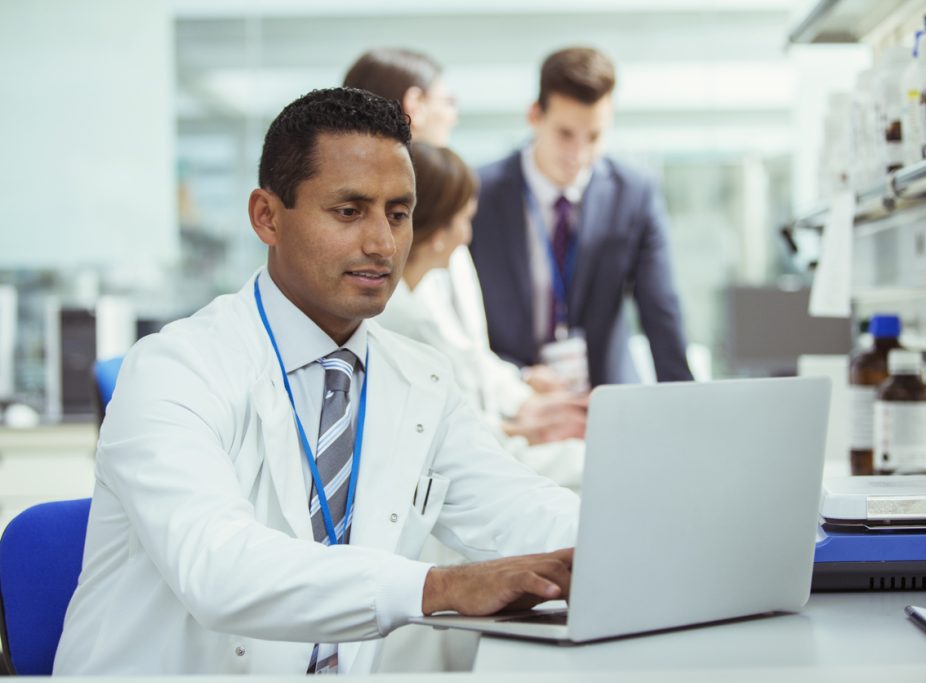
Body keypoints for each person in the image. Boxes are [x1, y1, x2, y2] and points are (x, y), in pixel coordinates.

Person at [53, 87, 577, 676]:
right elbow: (217, 567)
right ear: (267, 216)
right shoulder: (175, 368)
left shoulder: (420, 379)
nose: (381, 243)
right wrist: (436, 587)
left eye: (398, 214)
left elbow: (515, 507)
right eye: (348, 211)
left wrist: (624, 546)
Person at [344, 48, 584, 442]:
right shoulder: (395, 239)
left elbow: (462, 351)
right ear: (415, 105)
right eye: (448, 101)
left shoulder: (439, 199)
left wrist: (521, 395)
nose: (454, 114)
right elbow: (438, 354)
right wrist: (516, 422)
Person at [470, 46, 695, 387]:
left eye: (594, 136)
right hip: (511, 395)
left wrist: (686, 405)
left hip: (606, 396)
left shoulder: (634, 194)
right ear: (535, 116)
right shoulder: (480, 194)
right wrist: (517, 379)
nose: (579, 154)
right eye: (565, 134)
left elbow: (661, 309)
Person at [377, 142, 586, 485]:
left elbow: (472, 369)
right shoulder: (407, 324)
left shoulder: (411, 307)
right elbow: (464, 442)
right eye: (464, 221)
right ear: (438, 233)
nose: (468, 236)